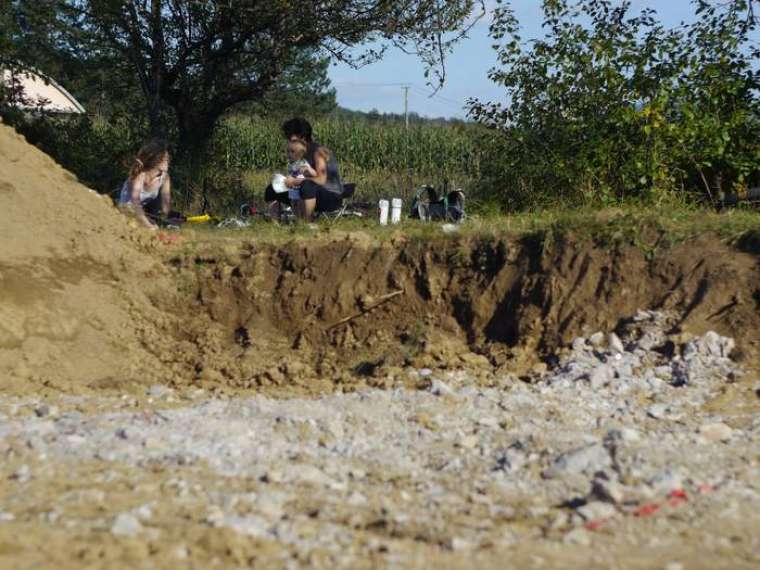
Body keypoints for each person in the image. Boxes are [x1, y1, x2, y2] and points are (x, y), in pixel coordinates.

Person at [264, 117, 343, 221]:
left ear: (303, 138)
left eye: (292, 139)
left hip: (330, 196)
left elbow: (321, 180)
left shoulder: (318, 152)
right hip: (306, 192)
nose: (289, 142)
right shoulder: (299, 153)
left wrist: (295, 181)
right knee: (273, 188)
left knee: (306, 185)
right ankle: (275, 224)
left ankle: (307, 222)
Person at [118, 139, 172, 230]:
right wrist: (147, 224)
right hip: (128, 210)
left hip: (145, 212)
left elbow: (166, 203)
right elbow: (135, 204)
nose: (168, 162)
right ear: (155, 160)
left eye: (168, 159)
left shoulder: (165, 178)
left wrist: (170, 218)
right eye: (165, 159)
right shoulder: (139, 176)